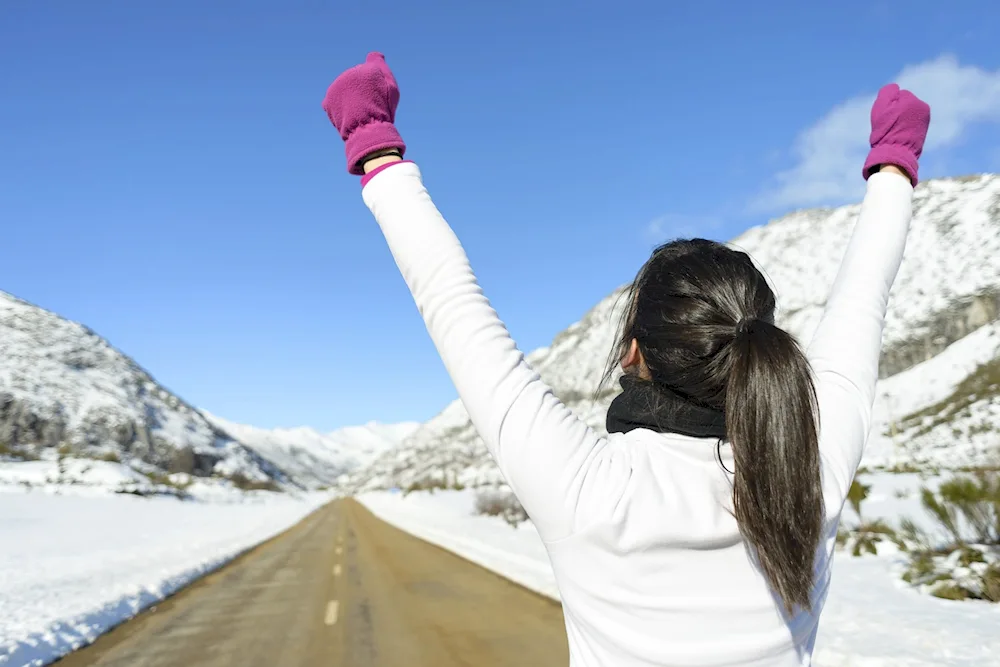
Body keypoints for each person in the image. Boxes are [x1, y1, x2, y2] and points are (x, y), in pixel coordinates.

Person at [321, 53, 930, 667]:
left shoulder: (591, 489)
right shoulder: (809, 471)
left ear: (633, 350)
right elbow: (865, 298)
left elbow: (450, 297)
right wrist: (893, 161)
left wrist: (374, 143)